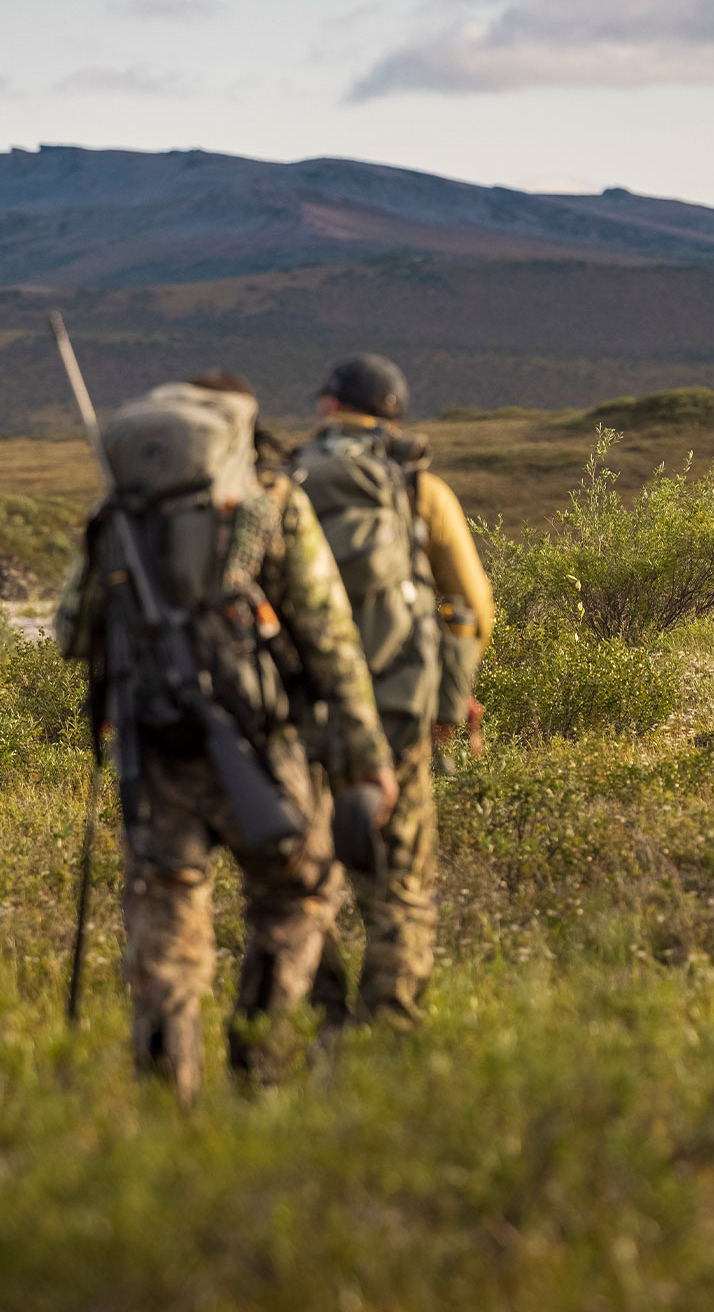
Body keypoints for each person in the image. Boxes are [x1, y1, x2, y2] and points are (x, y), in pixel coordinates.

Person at [54, 373, 397, 1105]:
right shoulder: (269, 501)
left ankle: (165, 1099)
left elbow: (68, 634)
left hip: (155, 756)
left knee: (166, 919)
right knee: (297, 894)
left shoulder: (119, 513)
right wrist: (366, 757)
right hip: (261, 746)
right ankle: (257, 1065)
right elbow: (331, 637)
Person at [298, 354, 492, 1028]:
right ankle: (389, 1022)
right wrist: (448, 698)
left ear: (327, 407)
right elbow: (471, 605)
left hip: (300, 709)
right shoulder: (417, 487)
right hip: (397, 706)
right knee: (400, 877)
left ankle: (319, 1014)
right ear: (393, 412)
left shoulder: (280, 482)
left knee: (301, 869)